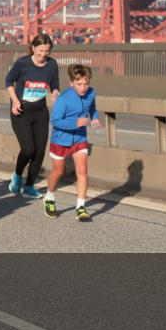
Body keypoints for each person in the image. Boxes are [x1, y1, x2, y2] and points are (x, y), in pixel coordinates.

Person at [5, 33, 60, 198]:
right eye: (40, 50)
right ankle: (17, 174)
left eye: (47, 51)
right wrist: (15, 101)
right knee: (28, 149)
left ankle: (29, 187)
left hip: (40, 112)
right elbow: (9, 81)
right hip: (21, 111)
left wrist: (55, 92)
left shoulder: (52, 65)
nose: (43, 55)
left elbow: (55, 83)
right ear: (33, 48)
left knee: (40, 151)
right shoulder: (23, 63)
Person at [45, 64, 100, 221]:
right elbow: (55, 121)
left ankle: (81, 207)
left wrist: (95, 117)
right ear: (71, 83)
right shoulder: (64, 99)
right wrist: (75, 122)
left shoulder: (91, 93)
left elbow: (92, 107)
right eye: (79, 84)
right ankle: (49, 197)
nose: (83, 87)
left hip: (80, 138)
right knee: (58, 172)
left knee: (82, 170)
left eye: (86, 83)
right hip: (61, 139)